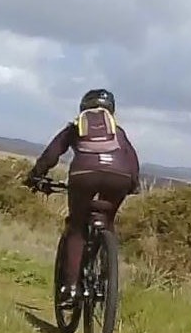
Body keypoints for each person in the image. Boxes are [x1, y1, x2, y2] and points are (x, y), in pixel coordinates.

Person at [25, 88, 140, 307]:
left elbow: (51, 154)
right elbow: (132, 161)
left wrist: (35, 176)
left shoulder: (76, 127)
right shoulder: (118, 132)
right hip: (120, 176)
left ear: (83, 107)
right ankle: (106, 272)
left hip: (83, 175)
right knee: (108, 221)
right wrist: (133, 185)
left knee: (77, 227)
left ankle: (70, 289)